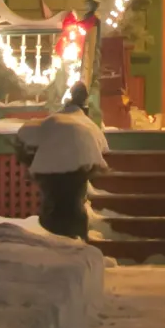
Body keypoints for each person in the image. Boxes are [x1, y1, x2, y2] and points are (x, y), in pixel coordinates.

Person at [18, 82, 107, 239]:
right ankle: (74, 235)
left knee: (55, 202)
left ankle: (56, 233)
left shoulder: (56, 120)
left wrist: (29, 159)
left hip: (52, 169)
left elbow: (26, 135)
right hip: (80, 166)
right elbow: (103, 146)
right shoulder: (87, 124)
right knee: (73, 203)